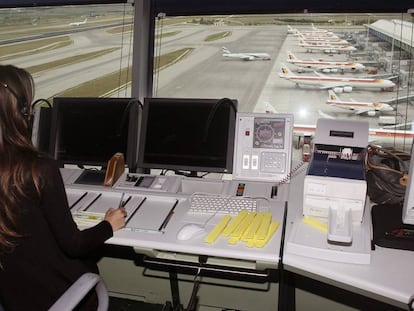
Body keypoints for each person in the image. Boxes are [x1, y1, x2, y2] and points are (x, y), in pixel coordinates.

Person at [0, 64, 127, 310]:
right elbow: (74, 244)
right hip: (56, 296)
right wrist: (108, 225)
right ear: (24, 112)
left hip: (13, 295)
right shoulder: (38, 169)